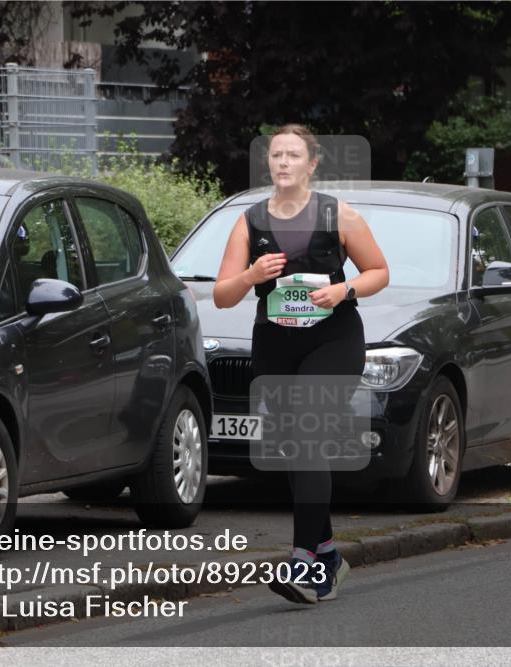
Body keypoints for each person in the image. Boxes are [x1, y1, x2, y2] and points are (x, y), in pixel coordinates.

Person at [213, 124, 389, 603]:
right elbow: (222, 295)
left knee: (308, 436)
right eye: (276, 155)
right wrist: (251, 275)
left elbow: (379, 271)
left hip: (333, 339)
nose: (283, 163)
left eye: (293, 155)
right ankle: (328, 554)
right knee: (296, 446)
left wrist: (343, 290)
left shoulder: (338, 215)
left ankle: (304, 562)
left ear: (312, 164)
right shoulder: (249, 222)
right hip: (275, 343)